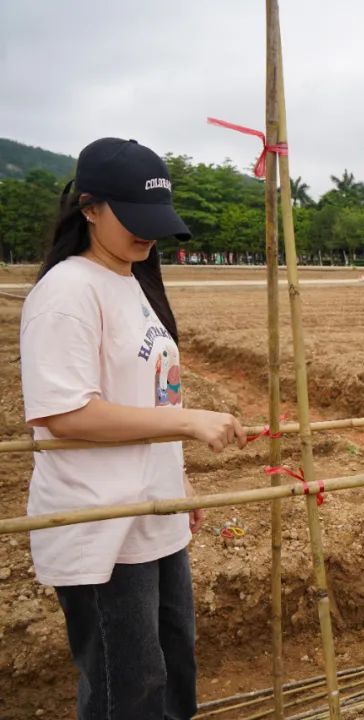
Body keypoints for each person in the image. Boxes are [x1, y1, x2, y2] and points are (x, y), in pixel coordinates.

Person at [20, 138, 247, 719]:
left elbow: (146, 392)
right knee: (129, 687)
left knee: (172, 669)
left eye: (156, 222)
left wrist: (178, 483)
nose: (147, 236)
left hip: (153, 513)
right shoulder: (67, 293)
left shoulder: (133, 282)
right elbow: (66, 413)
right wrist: (187, 421)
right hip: (101, 525)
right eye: (134, 219)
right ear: (89, 208)